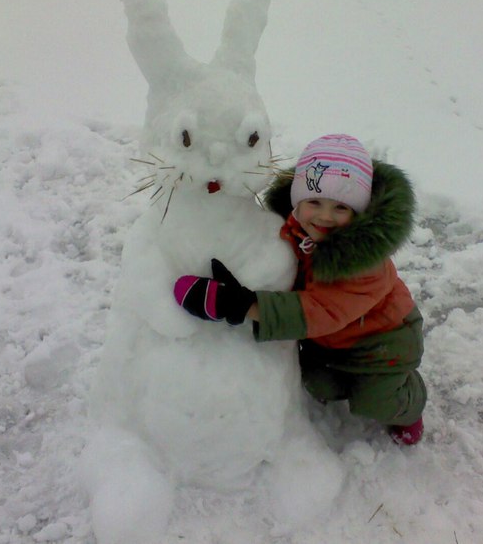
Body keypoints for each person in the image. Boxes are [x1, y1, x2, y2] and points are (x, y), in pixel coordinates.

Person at [173, 134, 426, 445]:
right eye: (314, 202)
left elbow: (322, 311)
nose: (324, 216)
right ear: (298, 201)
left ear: (359, 213)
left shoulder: (364, 264)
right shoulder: (295, 229)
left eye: (341, 208)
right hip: (332, 344)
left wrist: (240, 304)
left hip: (383, 345)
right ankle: (349, 380)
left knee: (376, 402)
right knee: (319, 384)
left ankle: (410, 400)